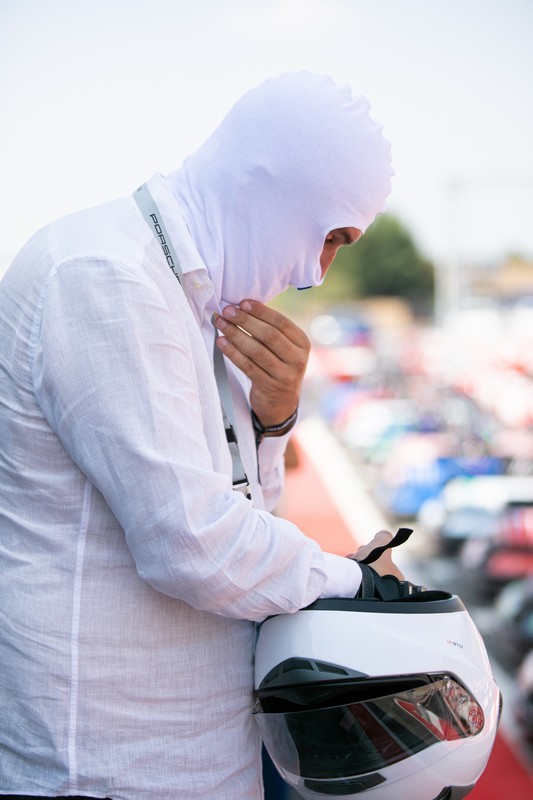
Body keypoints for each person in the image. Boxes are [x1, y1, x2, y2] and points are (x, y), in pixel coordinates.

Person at [0, 71, 395, 800]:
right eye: (329, 236)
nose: (315, 273)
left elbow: (244, 518)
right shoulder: (104, 274)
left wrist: (271, 420)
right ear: (270, 187)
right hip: (105, 770)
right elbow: (192, 544)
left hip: (200, 759)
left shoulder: (193, 293)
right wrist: (357, 583)